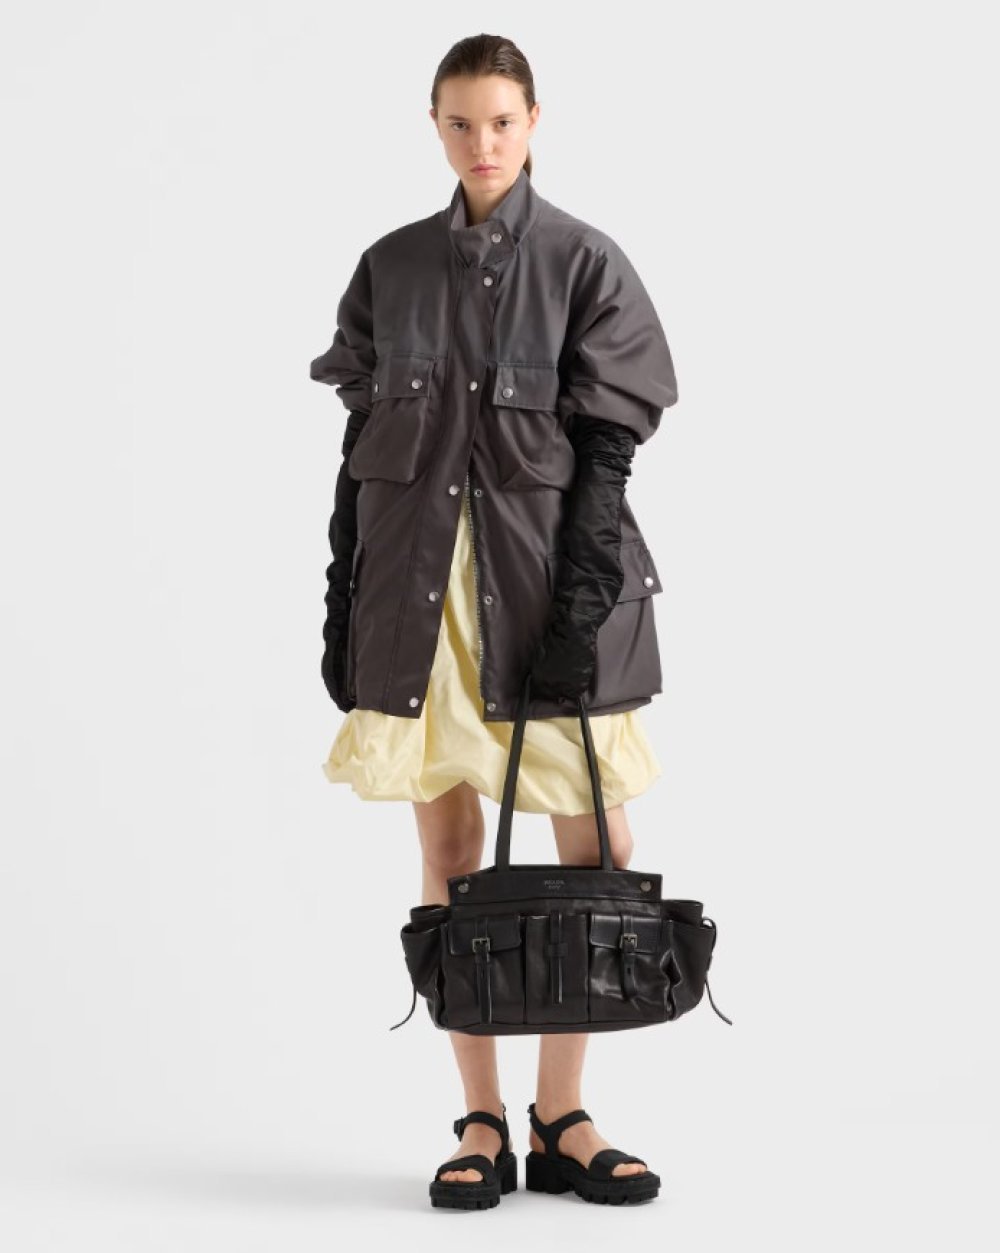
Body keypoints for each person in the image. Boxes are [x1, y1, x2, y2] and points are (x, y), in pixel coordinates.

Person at [309, 34, 677, 1208]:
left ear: (534, 122)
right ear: (433, 123)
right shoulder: (390, 266)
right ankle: (479, 1116)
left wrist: (580, 602)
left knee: (600, 850)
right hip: (420, 607)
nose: (482, 143)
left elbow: (607, 457)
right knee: (451, 856)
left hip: (547, 600)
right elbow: (357, 460)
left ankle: (562, 1111)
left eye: (501, 122)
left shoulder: (582, 261)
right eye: (460, 122)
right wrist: (340, 600)